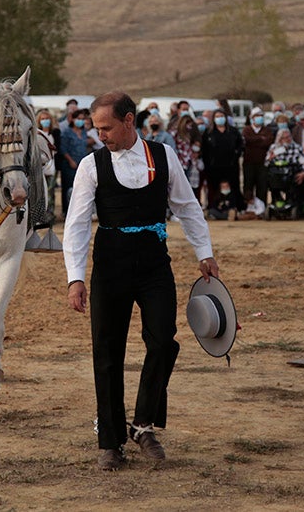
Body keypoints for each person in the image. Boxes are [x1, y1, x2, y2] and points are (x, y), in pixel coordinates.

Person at [64, 91, 219, 471]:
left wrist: (205, 252)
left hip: (154, 264)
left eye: (106, 127)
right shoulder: (90, 165)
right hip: (110, 267)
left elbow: (187, 207)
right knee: (107, 350)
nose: (100, 134)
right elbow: (77, 225)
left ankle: (143, 424)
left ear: (129, 120)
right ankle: (110, 441)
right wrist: (75, 278)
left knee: (164, 341)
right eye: (96, 128)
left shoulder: (164, 156)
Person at [202, 109, 244, 212]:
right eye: (217, 117)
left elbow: (240, 145)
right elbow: (204, 150)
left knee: (234, 186)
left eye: (221, 116)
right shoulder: (208, 132)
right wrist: (208, 163)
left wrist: (236, 155)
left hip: (231, 165)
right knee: (214, 187)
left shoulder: (233, 131)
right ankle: (214, 208)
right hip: (214, 166)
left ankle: (236, 207)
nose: (219, 119)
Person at [241, 108, 273, 212]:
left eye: (261, 116)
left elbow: (268, 142)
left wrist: (255, 140)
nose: (259, 118)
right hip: (249, 162)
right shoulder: (247, 129)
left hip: (262, 162)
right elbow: (247, 140)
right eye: (257, 116)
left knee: (262, 185)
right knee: (248, 185)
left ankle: (262, 207)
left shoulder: (267, 130)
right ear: (252, 118)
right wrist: (260, 138)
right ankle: (248, 206)